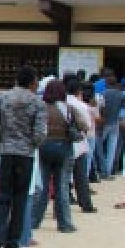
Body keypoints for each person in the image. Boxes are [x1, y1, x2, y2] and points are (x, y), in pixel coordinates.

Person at [0, 65, 47, 248]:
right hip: (26, 154)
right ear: (32, 83)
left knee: (3, 196)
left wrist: (2, 139)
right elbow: (40, 134)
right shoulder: (37, 103)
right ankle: (13, 242)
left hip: (6, 152)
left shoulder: (2, 98)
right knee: (20, 198)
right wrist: (31, 144)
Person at [31, 79, 87, 234]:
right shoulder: (69, 109)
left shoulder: (40, 107)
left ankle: (34, 220)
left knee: (42, 186)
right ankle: (65, 223)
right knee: (61, 186)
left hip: (43, 147)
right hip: (63, 148)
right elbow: (84, 126)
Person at [65, 77, 97, 213]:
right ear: (79, 91)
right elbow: (88, 126)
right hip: (79, 142)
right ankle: (85, 203)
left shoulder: (62, 103)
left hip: (64, 142)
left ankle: (65, 199)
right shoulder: (82, 106)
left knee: (63, 175)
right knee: (80, 175)